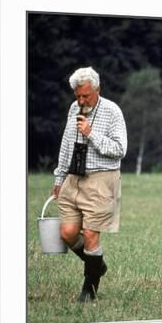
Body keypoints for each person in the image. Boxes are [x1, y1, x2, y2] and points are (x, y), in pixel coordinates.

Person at [52, 66, 127, 303]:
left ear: (98, 89)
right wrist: (59, 177)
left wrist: (91, 133)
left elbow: (119, 150)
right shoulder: (74, 108)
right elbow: (67, 143)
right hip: (74, 178)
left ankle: (89, 292)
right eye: (78, 96)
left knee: (92, 235)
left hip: (101, 179)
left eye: (86, 95)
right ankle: (97, 265)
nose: (81, 100)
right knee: (67, 233)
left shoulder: (112, 111)